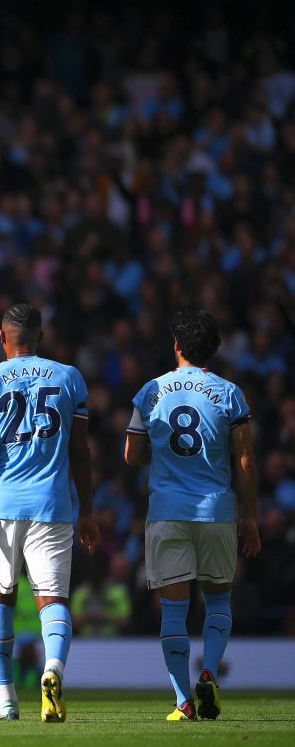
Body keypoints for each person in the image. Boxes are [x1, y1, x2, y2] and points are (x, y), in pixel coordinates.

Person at [0, 303, 99, 723]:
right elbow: (80, 451)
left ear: (2, 337)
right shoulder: (68, 377)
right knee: (52, 600)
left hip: (1, 506)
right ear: (41, 337)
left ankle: (6, 701)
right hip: (52, 504)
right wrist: (88, 510)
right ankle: (53, 670)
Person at [124, 309, 260, 722]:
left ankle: (183, 701)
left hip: (168, 511)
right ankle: (209, 673)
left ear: (177, 345)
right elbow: (245, 460)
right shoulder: (230, 393)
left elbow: (131, 454)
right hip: (216, 510)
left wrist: (163, 453)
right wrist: (250, 517)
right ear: (213, 349)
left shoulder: (150, 392)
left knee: (174, 610)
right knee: (218, 599)